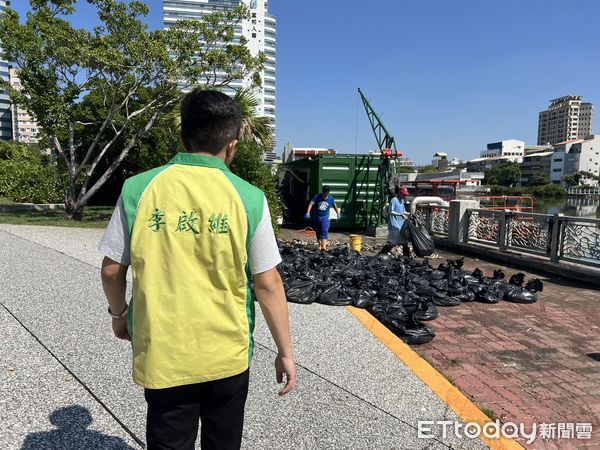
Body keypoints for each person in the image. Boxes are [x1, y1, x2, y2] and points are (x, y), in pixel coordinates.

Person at [98, 89, 296, 450]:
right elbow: (268, 284)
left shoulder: (138, 190)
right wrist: (285, 351)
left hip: (164, 352)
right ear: (233, 144)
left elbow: (112, 270)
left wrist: (119, 313)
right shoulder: (249, 197)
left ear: (181, 135)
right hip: (227, 353)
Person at [305, 185, 340, 252]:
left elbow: (334, 205)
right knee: (318, 233)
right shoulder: (317, 197)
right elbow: (311, 204)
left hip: (325, 218)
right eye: (324, 193)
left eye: (327, 193)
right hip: (317, 218)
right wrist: (308, 212)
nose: (325, 195)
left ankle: (323, 248)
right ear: (323, 192)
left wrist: (338, 213)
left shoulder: (330, 198)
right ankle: (320, 244)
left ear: (328, 193)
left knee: (324, 231)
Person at [380, 186, 411, 256]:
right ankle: (381, 255)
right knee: (391, 243)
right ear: (400, 193)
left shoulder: (402, 201)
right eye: (404, 194)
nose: (405, 196)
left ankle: (406, 258)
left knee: (405, 243)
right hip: (394, 225)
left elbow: (403, 211)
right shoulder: (394, 200)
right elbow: (391, 211)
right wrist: (400, 214)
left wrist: (409, 214)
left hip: (402, 226)